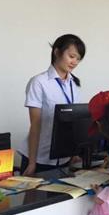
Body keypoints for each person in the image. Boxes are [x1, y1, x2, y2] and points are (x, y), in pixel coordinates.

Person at [18, 34, 86, 175]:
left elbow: (74, 122)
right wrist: (32, 162)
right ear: (57, 52)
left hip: (64, 158)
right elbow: (35, 124)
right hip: (39, 158)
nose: (74, 62)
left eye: (78, 59)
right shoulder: (39, 82)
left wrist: (74, 154)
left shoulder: (74, 84)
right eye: (71, 56)